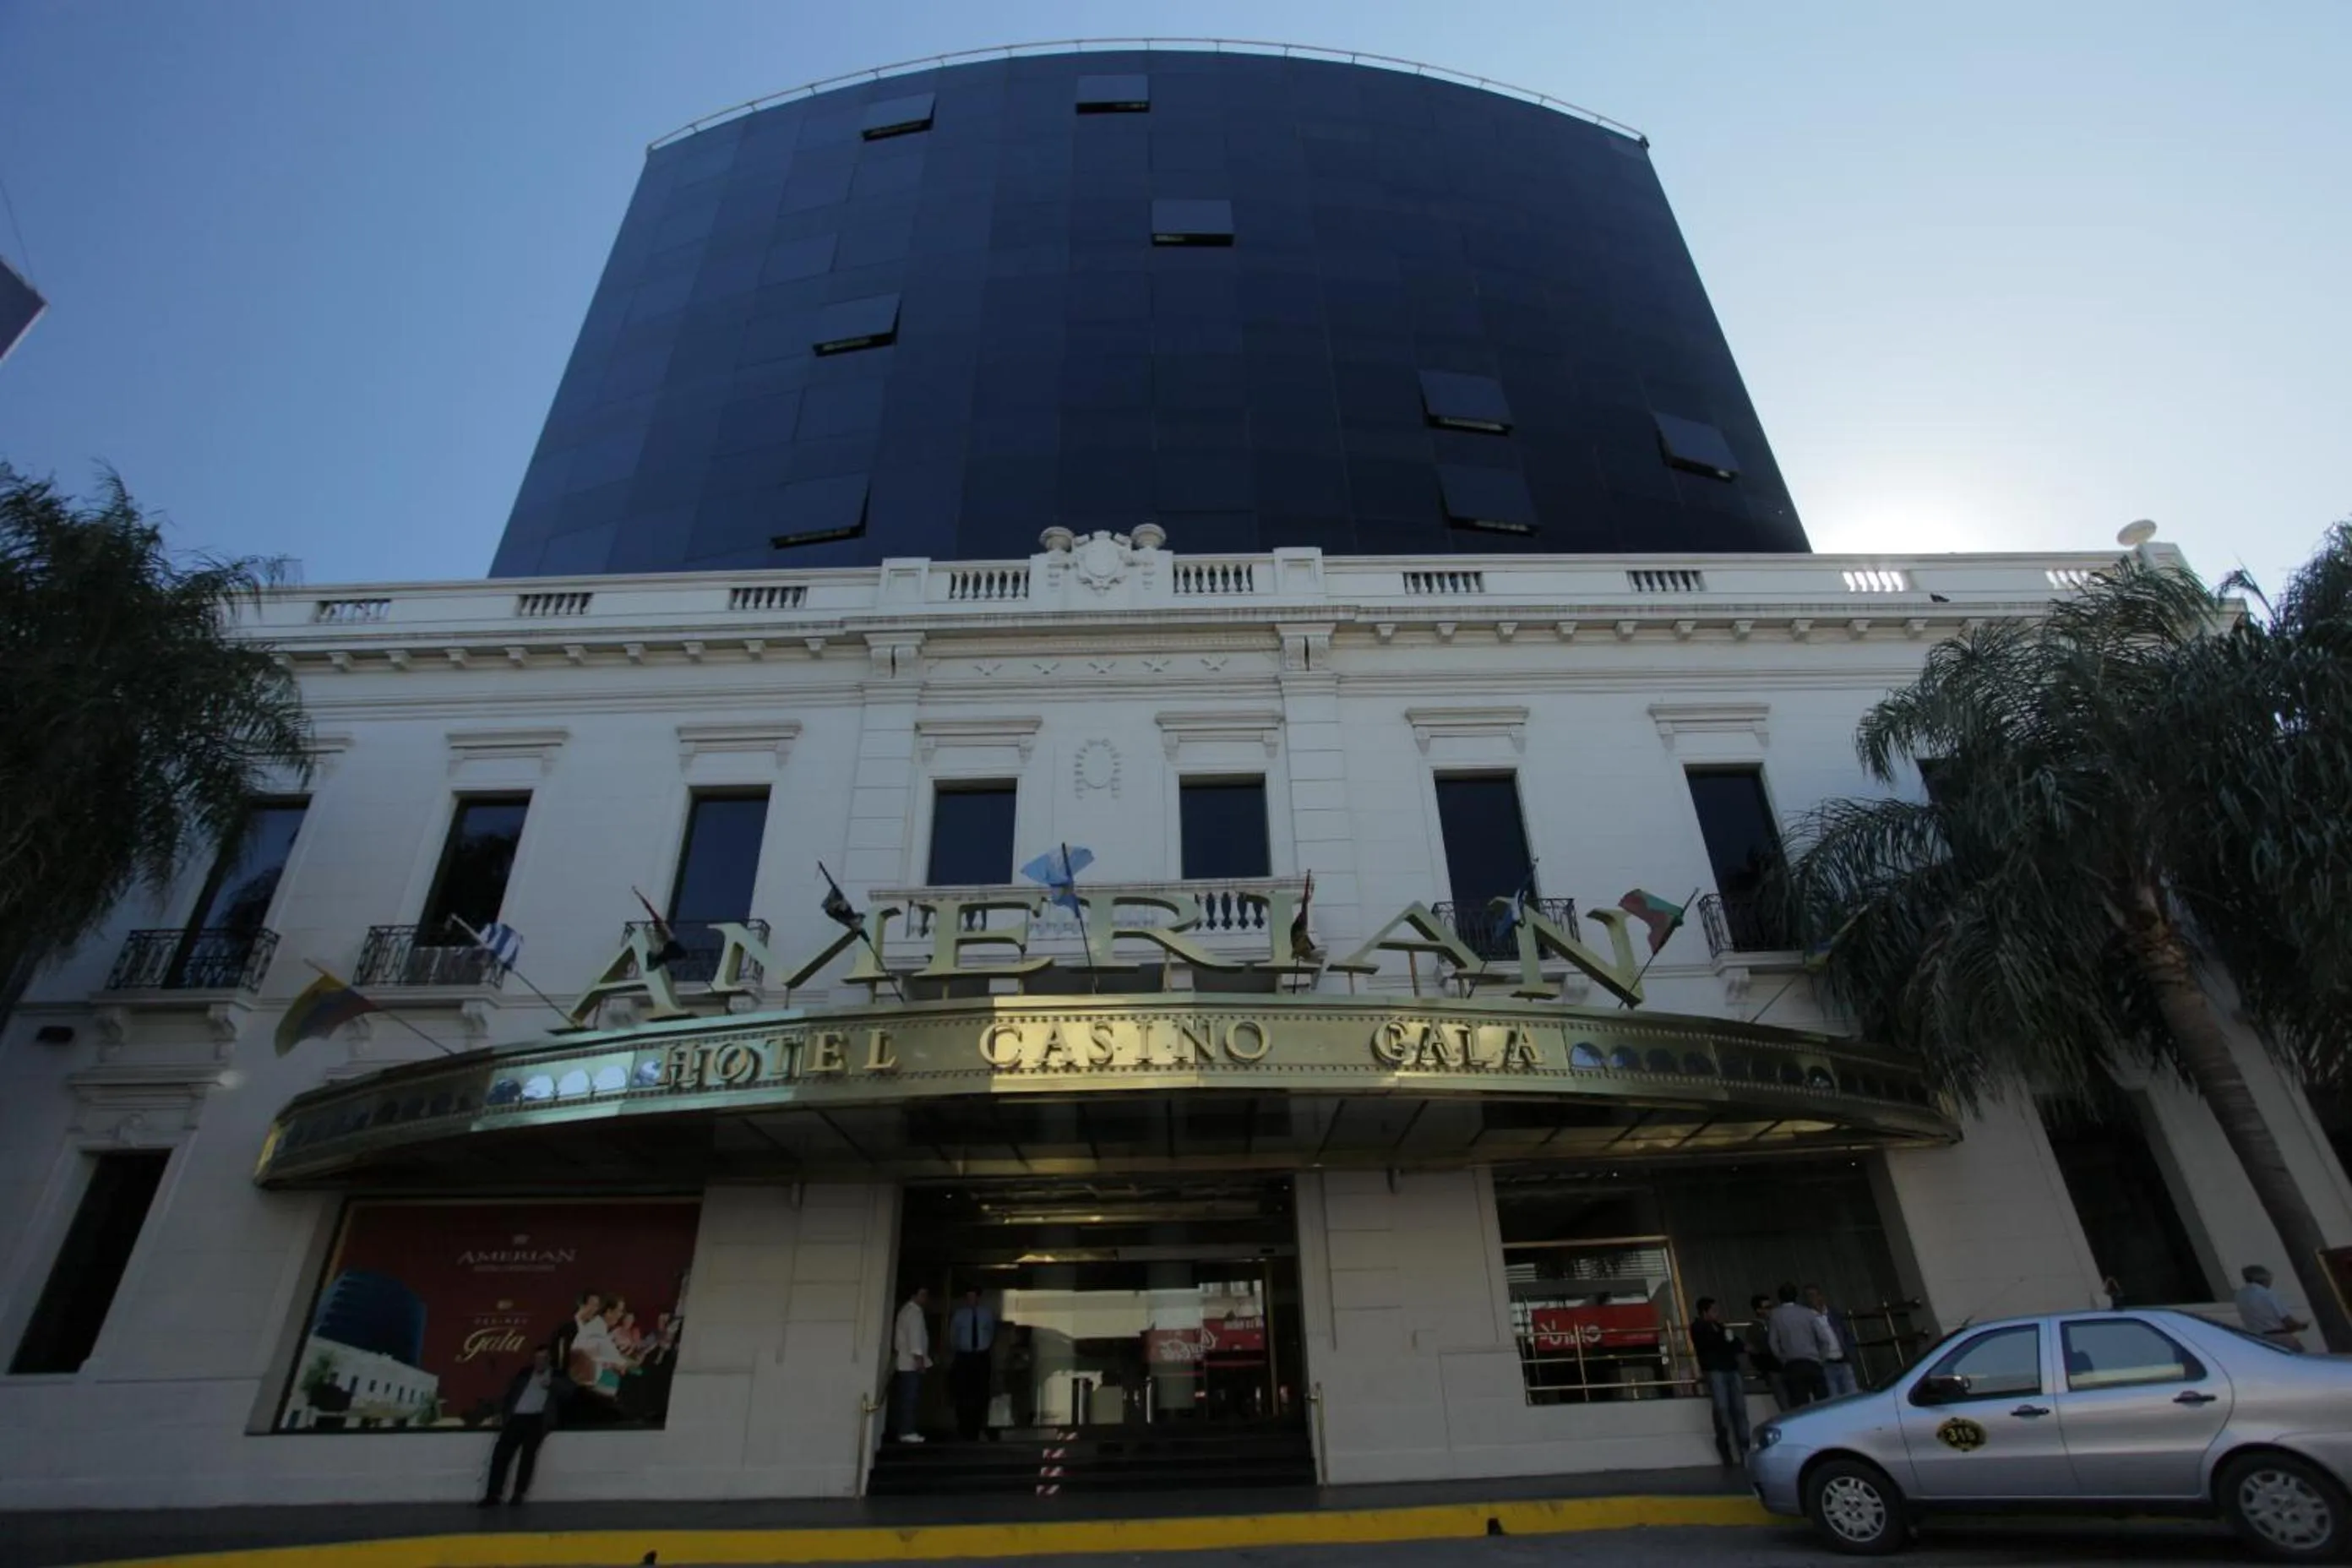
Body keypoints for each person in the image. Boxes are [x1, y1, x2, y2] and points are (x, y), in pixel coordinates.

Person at [481, 1347, 568, 1505]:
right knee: (501, 1455)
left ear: (549, 1360)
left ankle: (518, 1494)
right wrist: (501, 1412)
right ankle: (493, 1494)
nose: (539, 1362)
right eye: (537, 1358)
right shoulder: (525, 1373)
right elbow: (511, 1394)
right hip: (516, 1417)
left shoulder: (557, 1375)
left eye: (543, 1358)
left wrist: (552, 1384)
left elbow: (569, 1391)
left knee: (527, 1456)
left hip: (537, 1419)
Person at [1689, 1297, 1750, 1464]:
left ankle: (1744, 1449)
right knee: (1723, 1408)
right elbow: (1714, 1344)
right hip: (1716, 1369)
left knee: (1739, 1410)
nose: (1717, 1313)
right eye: (1714, 1310)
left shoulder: (1720, 1328)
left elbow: (1736, 1344)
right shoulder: (1699, 1327)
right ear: (1704, 1312)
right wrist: (1727, 1341)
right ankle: (1727, 1445)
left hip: (1728, 1369)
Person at [1766, 1283, 1834, 1407]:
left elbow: (1773, 1342)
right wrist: (1821, 1358)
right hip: (1813, 1362)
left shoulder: (1775, 1315)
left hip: (1792, 1365)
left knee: (1800, 1405)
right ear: (1796, 1296)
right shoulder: (1807, 1313)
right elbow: (1824, 1339)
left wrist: (1783, 1359)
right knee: (1824, 1404)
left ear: (1779, 1298)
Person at [947, 1287, 999, 1441]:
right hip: (964, 1356)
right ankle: (963, 1426)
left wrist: (986, 1346)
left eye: (973, 1297)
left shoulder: (986, 1313)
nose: (971, 1300)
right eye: (968, 1297)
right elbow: (953, 1335)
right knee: (963, 1392)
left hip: (981, 1355)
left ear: (978, 1297)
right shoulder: (959, 1315)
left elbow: (991, 1331)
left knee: (981, 1391)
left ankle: (979, 1424)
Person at [2235, 1265, 2310, 1351]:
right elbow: (2287, 1321)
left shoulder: (2240, 1295)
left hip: (2258, 1339)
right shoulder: (2267, 1294)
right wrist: (2301, 1326)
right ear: (2263, 1278)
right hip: (2279, 1337)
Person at [891, 1286, 932, 1442]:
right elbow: (915, 1339)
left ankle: (904, 1429)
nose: (925, 1298)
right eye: (924, 1295)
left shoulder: (905, 1311)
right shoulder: (914, 1313)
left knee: (906, 1397)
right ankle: (907, 1430)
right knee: (910, 1397)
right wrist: (920, 1361)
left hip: (904, 1361)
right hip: (910, 1363)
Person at [1805, 1284, 1860, 1397]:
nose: (1813, 1299)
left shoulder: (1833, 1313)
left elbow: (1845, 1334)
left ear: (1821, 1296)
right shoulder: (1808, 1318)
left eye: (1814, 1295)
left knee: (1852, 1394)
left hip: (1843, 1359)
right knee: (1834, 1396)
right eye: (1809, 1296)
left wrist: (1850, 1353)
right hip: (1826, 1363)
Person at [1745, 1293, 1788, 1410]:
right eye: (1767, 1307)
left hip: (1784, 1367)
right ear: (1759, 1310)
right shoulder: (1755, 1328)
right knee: (1785, 1403)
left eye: (1771, 1307)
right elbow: (1760, 1349)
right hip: (1773, 1369)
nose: (1771, 1310)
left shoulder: (1775, 1323)